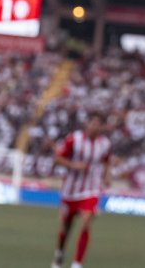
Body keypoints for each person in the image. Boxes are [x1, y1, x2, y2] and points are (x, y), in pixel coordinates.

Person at [50, 111, 111, 268]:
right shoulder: (74, 139)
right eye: (93, 123)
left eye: (98, 124)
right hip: (71, 190)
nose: (95, 127)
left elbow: (106, 161)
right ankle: (59, 252)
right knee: (67, 226)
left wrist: (107, 176)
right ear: (87, 124)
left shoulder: (104, 144)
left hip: (90, 190)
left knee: (85, 223)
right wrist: (73, 165)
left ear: (101, 127)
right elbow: (57, 158)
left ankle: (77, 264)